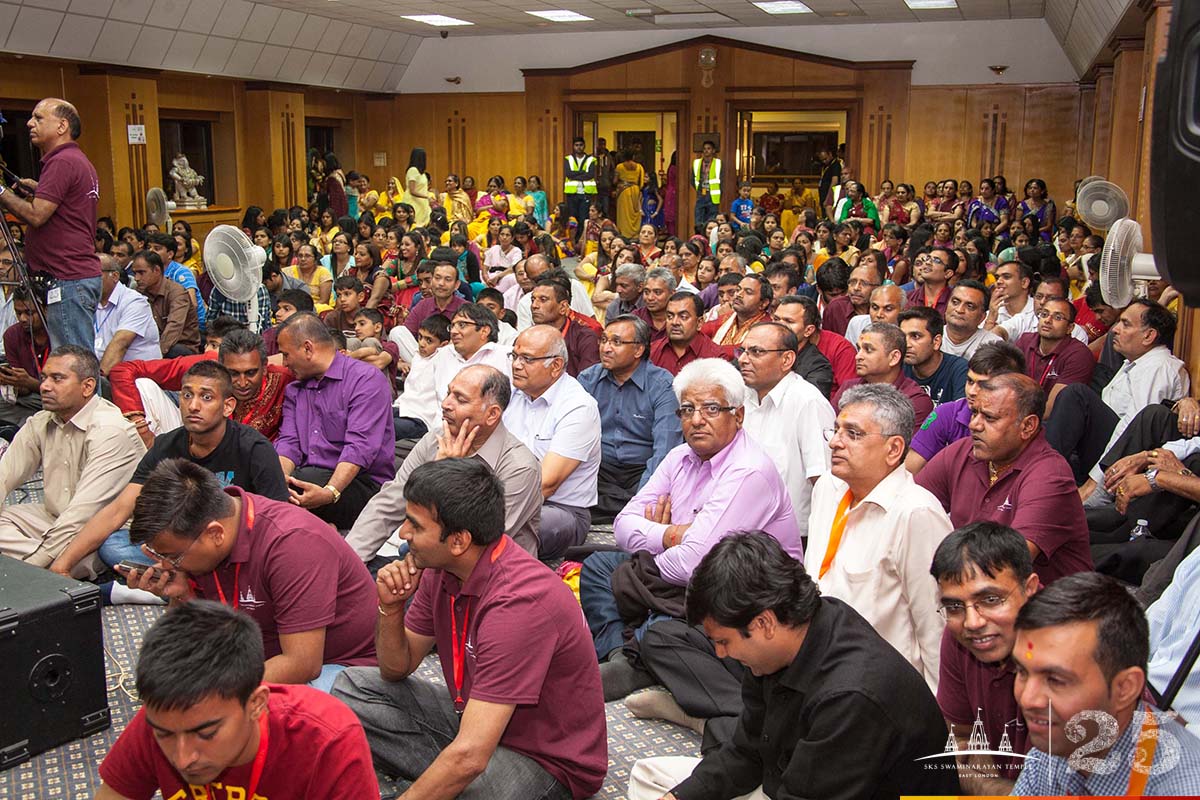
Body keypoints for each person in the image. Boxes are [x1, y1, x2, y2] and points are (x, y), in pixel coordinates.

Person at [332, 458, 608, 800]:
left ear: (459, 541)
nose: (403, 534)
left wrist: (460, 764)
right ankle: (447, 776)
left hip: (545, 761)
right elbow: (395, 669)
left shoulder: (519, 604)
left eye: (415, 526)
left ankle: (447, 777)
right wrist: (390, 609)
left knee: (475, 781)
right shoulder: (440, 570)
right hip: (476, 722)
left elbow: (472, 755)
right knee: (353, 687)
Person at [626, 532, 960, 800]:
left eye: (724, 641)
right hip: (792, 779)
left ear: (765, 624)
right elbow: (747, 752)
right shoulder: (792, 636)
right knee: (652, 778)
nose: (720, 654)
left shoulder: (850, 696)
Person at [581, 358, 800, 697]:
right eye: (687, 410)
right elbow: (623, 526)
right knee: (598, 567)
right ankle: (622, 656)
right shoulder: (678, 457)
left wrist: (657, 549)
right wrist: (671, 534)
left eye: (711, 408)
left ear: (738, 416)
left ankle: (642, 654)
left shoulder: (748, 471)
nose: (697, 420)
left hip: (741, 588)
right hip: (675, 569)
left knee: (669, 617)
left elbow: (696, 563)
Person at [124, 459, 377, 690]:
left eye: (173, 557)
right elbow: (193, 640)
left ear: (215, 534)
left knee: (243, 719)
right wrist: (182, 596)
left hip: (341, 665)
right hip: (258, 652)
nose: (168, 566)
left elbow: (302, 664)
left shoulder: (293, 544)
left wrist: (209, 692)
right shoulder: (210, 536)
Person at [94, 600, 379, 800]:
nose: (183, 758)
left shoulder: (327, 737)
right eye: (164, 735)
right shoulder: (167, 715)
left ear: (256, 704)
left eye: (206, 734)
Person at [50, 360, 289, 583]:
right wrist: (62, 566)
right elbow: (118, 510)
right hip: (181, 545)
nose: (193, 406)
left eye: (206, 397)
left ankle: (173, 587)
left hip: (230, 548)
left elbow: (279, 521)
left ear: (227, 406)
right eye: (187, 395)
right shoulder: (167, 444)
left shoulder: (254, 448)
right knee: (114, 545)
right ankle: (192, 585)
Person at [805, 382, 953, 691]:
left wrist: (944, 727)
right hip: (819, 671)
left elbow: (936, 629)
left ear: (894, 449)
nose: (835, 443)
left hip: (882, 691)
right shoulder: (828, 490)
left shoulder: (916, 513)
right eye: (835, 430)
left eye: (853, 434)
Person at [1011, 572, 1200, 795]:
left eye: (1056, 680)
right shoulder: (1061, 735)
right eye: (1022, 671)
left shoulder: (1182, 789)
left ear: (1125, 688)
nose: (1028, 699)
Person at [349, 364, 541, 560]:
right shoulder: (437, 438)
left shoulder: (519, 467)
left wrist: (446, 475)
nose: (446, 403)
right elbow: (389, 502)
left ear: (491, 414)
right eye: (448, 393)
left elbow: (475, 544)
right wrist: (349, 563)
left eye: (460, 399)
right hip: (431, 556)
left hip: (492, 575)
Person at [916, 373, 1092, 585]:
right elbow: (906, 508)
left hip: (1050, 611)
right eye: (974, 413)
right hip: (975, 592)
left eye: (989, 418)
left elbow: (1006, 565)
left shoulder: (1050, 475)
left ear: (1028, 426)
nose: (974, 425)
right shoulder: (962, 452)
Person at [0, 345, 143, 578]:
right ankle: (44, 567)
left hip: (100, 533)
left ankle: (39, 569)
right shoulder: (42, 420)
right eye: (44, 378)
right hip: (53, 518)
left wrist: (34, 566)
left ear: (87, 387)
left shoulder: (110, 431)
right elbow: (4, 474)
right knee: (5, 515)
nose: (44, 386)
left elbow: (83, 514)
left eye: (58, 379)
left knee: (81, 553)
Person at [931, 522, 1039, 793]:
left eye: (991, 599)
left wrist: (977, 782)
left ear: (1031, 589)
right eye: (954, 606)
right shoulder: (960, 639)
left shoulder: (1068, 655)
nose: (972, 622)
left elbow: (1041, 793)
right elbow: (958, 740)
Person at [1046, 299, 1189, 486]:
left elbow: (1134, 430)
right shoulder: (1134, 362)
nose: (1115, 329)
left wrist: (1094, 483)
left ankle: (1040, 472)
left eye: (1126, 324)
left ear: (1149, 336)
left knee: (1076, 394)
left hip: (1121, 460)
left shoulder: (1158, 367)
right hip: (1104, 450)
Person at [274, 313, 395, 528]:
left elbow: (359, 447)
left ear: (308, 348)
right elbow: (289, 442)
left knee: (296, 489)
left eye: (286, 354)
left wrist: (330, 492)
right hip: (308, 476)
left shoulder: (364, 380)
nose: (284, 363)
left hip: (359, 482)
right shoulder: (295, 389)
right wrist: (278, 477)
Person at [0, 99, 101, 350]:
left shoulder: (62, 161)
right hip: (70, 277)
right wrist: (40, 190)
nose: (29, 123)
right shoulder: (74, 159)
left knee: (73, 362)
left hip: (67, 277)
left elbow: (36, 215)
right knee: (73, 361)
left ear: (62, 126)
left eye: (38, 118)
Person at [504, 325, 601, 560]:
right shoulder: (511, 393)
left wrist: (482, 514)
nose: (516, 365)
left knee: (512, 530)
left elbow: (546, 484)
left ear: (556, 366)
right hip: (499, 495)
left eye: (527, 359)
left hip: (560, 509)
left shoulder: (578, 407)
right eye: (514, 356)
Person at [579, 315, 681, 522]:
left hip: (641, 470)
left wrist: (642, 498)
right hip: (600, 470)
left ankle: (625, 508)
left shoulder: (663, 385)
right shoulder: (588, 380)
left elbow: (664, 449)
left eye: (616, 342)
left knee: (665, 498)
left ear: (638, 350)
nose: (606, 348)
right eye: (604, 340)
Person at [109, 328, 292, 442]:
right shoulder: (205, 367)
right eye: (233, 373)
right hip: (191, 440)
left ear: (265, 367)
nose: (242, 383)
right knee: (144, 385)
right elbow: (124, 370)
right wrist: (139, 424)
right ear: (220, 366)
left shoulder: (283, 379)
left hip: (251, 462)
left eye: (251, 373)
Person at [739, 322, 833, 529]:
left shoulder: (808, 402)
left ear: (787, 359)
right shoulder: (741, 397)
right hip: (743, 526)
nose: (743, 360)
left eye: (756, 352)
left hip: (790, 535)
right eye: (743, 351)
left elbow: (824, 481)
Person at [906, 341, 1026, 472]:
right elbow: (909, 471)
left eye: (984, 385)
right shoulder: (946, 414)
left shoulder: (1021, 426)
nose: (972, 391)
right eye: (970, 381)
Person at [833, 322, 935, 426]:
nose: (858, 356)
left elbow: (908, 442)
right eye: (859, 349)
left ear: (894, 357)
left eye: (868, 350)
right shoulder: (848, 387)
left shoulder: (915, 401)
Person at [1015, 296, 1095, 415]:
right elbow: (1006, 381)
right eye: (1044, 314)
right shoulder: (1025, 341)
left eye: (1058, 317)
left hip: (1053, 422)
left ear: (1070, 328)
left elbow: (1052, 409)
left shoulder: (1079, 354)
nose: (1047, 320)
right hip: (1017, 412)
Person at [95, 254, 162, 375]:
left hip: (137, 377)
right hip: (105, 374)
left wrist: (97, 383)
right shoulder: (90, 301)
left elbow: (120, 344)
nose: (89, 280)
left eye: (95, 274)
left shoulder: (134, 302)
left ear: (114, 276)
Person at [131, 249, 200, 357]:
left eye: (141, 273)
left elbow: (173, 328)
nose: (136, 278)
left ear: (157, 270)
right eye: (135, 273)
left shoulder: (177, 293)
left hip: (180, 347)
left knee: (174, 350)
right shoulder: (139, 292)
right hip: (152, 344)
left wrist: (154, 356)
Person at [0, 285, 50, 426]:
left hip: (54, 395)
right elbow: (23, 391)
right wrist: (10, 381)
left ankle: (31, 422)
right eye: (18, 313)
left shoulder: (57, 333)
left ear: (45, 310)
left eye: (29, 313)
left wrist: (31, 383)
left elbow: (65, 387)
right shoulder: (11, 335)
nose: (22, 318)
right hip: (29, 399)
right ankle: (33, 422)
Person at [530, 274, 599, 377]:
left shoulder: (584, 337)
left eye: (543, 300)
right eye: (533, 300)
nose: (534, 305)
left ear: (563, 307)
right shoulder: (528, 337)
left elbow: (588, 382)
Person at [771, 295, 837, 398]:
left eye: (789, 321)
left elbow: (808, 404)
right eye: (776, 319)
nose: (779, 326)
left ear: (808, 330)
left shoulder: (818, 366)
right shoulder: (758, 350)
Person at [899, 306, 969, 405]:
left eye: (915, 336)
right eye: (902, 336)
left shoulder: (959, 369)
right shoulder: (897, 366)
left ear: (936, 341)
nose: (907, 344)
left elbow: (962, 414)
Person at [651, 292, 730, 375]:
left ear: (699, 323)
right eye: (670, 316)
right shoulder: (652, 351)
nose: (674, 322)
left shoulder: (716, 358)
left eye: (683, 317)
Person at [701, 274, 771, 350]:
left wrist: (709, 349)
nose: (739, 295)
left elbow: (739, 351)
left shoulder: (766, 328)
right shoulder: (726, 317)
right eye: (738, 290)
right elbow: (697, 334)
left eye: (748, 292)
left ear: (763, 303)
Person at [941, 280, 1001, 359]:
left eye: (970, 306)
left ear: (982, 317)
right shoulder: (929, 335)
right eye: (955, 302)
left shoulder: (993, 345)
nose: (959, 310)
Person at [844, 283, 906, 350]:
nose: (879, 314)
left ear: (902, 310)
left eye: (888, 309)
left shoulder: (908, 332)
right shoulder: (857, 324)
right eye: (875, 308)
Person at [564, 137, 598, 247]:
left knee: (584, 218)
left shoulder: (591, 159)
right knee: (573, 218)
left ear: (584, 146)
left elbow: (590, 175)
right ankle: (573, 242)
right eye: (576, 145)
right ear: (573, 146)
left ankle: (581, 242)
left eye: (581, 145)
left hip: (585, 193)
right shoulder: (568, 159)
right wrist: (582, 172)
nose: (579, 147)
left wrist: (576, 174)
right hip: (572, 194)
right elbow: (569, 174)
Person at [908, 247, 955, 315]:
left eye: (936, 260)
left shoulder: (954, 300)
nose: (927, 263)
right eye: (927, 258)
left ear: (948, 273)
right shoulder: (909, 297)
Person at [692, 140, 722, 228]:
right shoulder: (697, 163)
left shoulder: (718, 163)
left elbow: (722, 179)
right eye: (704, 149)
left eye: (709, 149)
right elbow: (692, 178)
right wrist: (699, 189)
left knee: (712, 222)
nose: (706, 151)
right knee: (698, 221)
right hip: (701, 194)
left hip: (713, 196)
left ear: (713, 150)